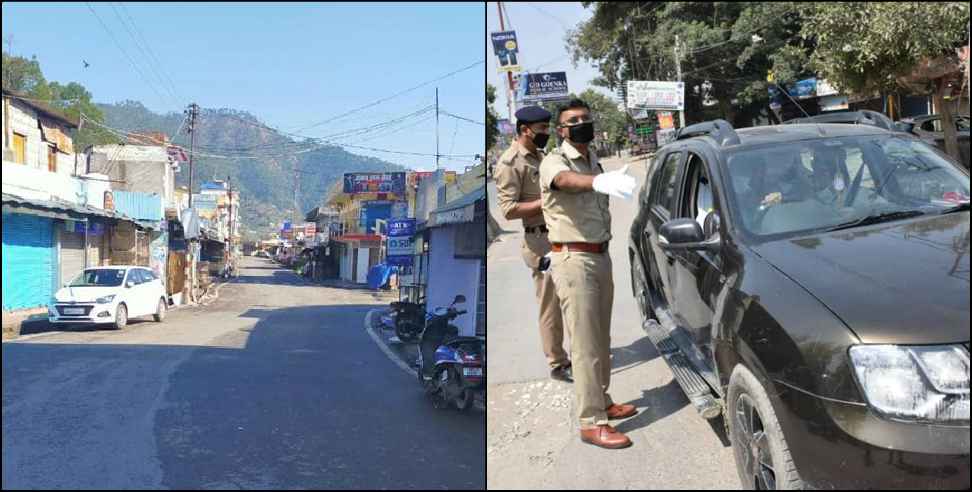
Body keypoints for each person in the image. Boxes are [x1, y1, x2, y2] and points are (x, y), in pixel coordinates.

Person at [538, 98, 638, 449]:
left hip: (599, 254)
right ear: (561, 130)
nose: (582, 123)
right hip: (573, 259)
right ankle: (590, 421)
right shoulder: (555, 160)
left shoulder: (593, 157)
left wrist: (600, 178)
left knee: (601, 338)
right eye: (573, 120)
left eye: (586, 118)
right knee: (584, 344)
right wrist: (596, 183)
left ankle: (603, 400)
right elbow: (564, 181)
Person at [494, 105, 573, 383]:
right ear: (525, 130)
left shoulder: (541, 156)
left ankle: (578, 353)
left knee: (572, 297)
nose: (546, 134)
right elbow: (508, 209)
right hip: (538, 240)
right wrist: (546, 200)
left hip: (558, 231)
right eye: (541, 130)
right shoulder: (509, 163)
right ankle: (558, 362)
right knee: (550, 303)